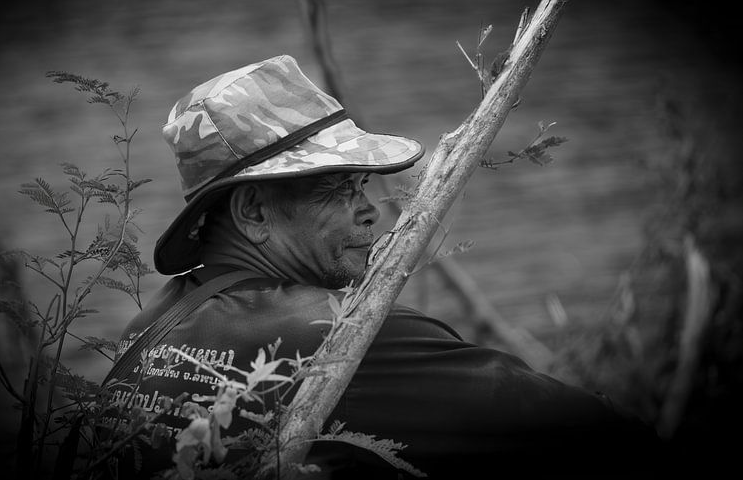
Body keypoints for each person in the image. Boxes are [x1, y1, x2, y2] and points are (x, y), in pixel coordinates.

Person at [107, 55, 662, 479]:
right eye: (338, 188)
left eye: (362, 185)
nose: (371, 210)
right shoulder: (334, 333)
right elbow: (590, 433)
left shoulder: (145, 330)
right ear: (253, 210)